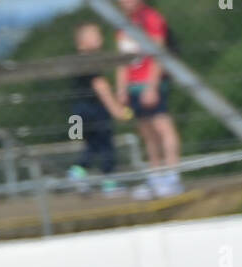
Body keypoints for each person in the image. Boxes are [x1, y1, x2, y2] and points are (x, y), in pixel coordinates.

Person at [115, 0, 183, 199]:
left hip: (151, 82)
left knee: (163, 128)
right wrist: (121, 88)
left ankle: (172, 176)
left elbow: (158, 54)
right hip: (133, 85)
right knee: (147, 133)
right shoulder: (123, 24)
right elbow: (122, 60)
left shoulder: (151, 18)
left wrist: (152, 86)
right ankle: (155, 177)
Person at [68, 23, 134, 195]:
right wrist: (115, 109)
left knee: (91, 145)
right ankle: (109, 182)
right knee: (106, 145)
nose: (100, 38)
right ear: (82, 41)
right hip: (95, 110)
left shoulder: (76, 61)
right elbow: (100, 86)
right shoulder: (92, 61)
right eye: (95, 35)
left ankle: (78, 170)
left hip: (78, 112)